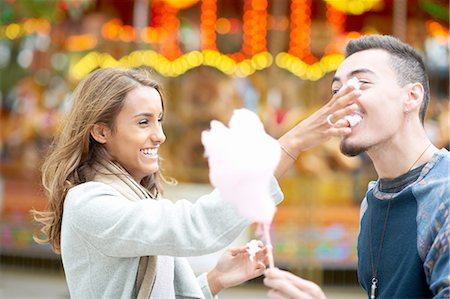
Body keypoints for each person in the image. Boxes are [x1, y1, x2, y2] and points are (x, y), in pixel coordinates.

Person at [31, 66, 357, 298]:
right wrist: (289, 144)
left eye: (158, 120)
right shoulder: (90, 203)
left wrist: (215, 280)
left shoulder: (136, 198)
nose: (158, 135)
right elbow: (195, 226)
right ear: (100, 131)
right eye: (143, 122)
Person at [264, 34, 450, 298]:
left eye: (362, 83)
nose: (342, 100)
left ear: (411, 96)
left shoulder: (444, 197)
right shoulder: (371, 202)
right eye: (336, 91)